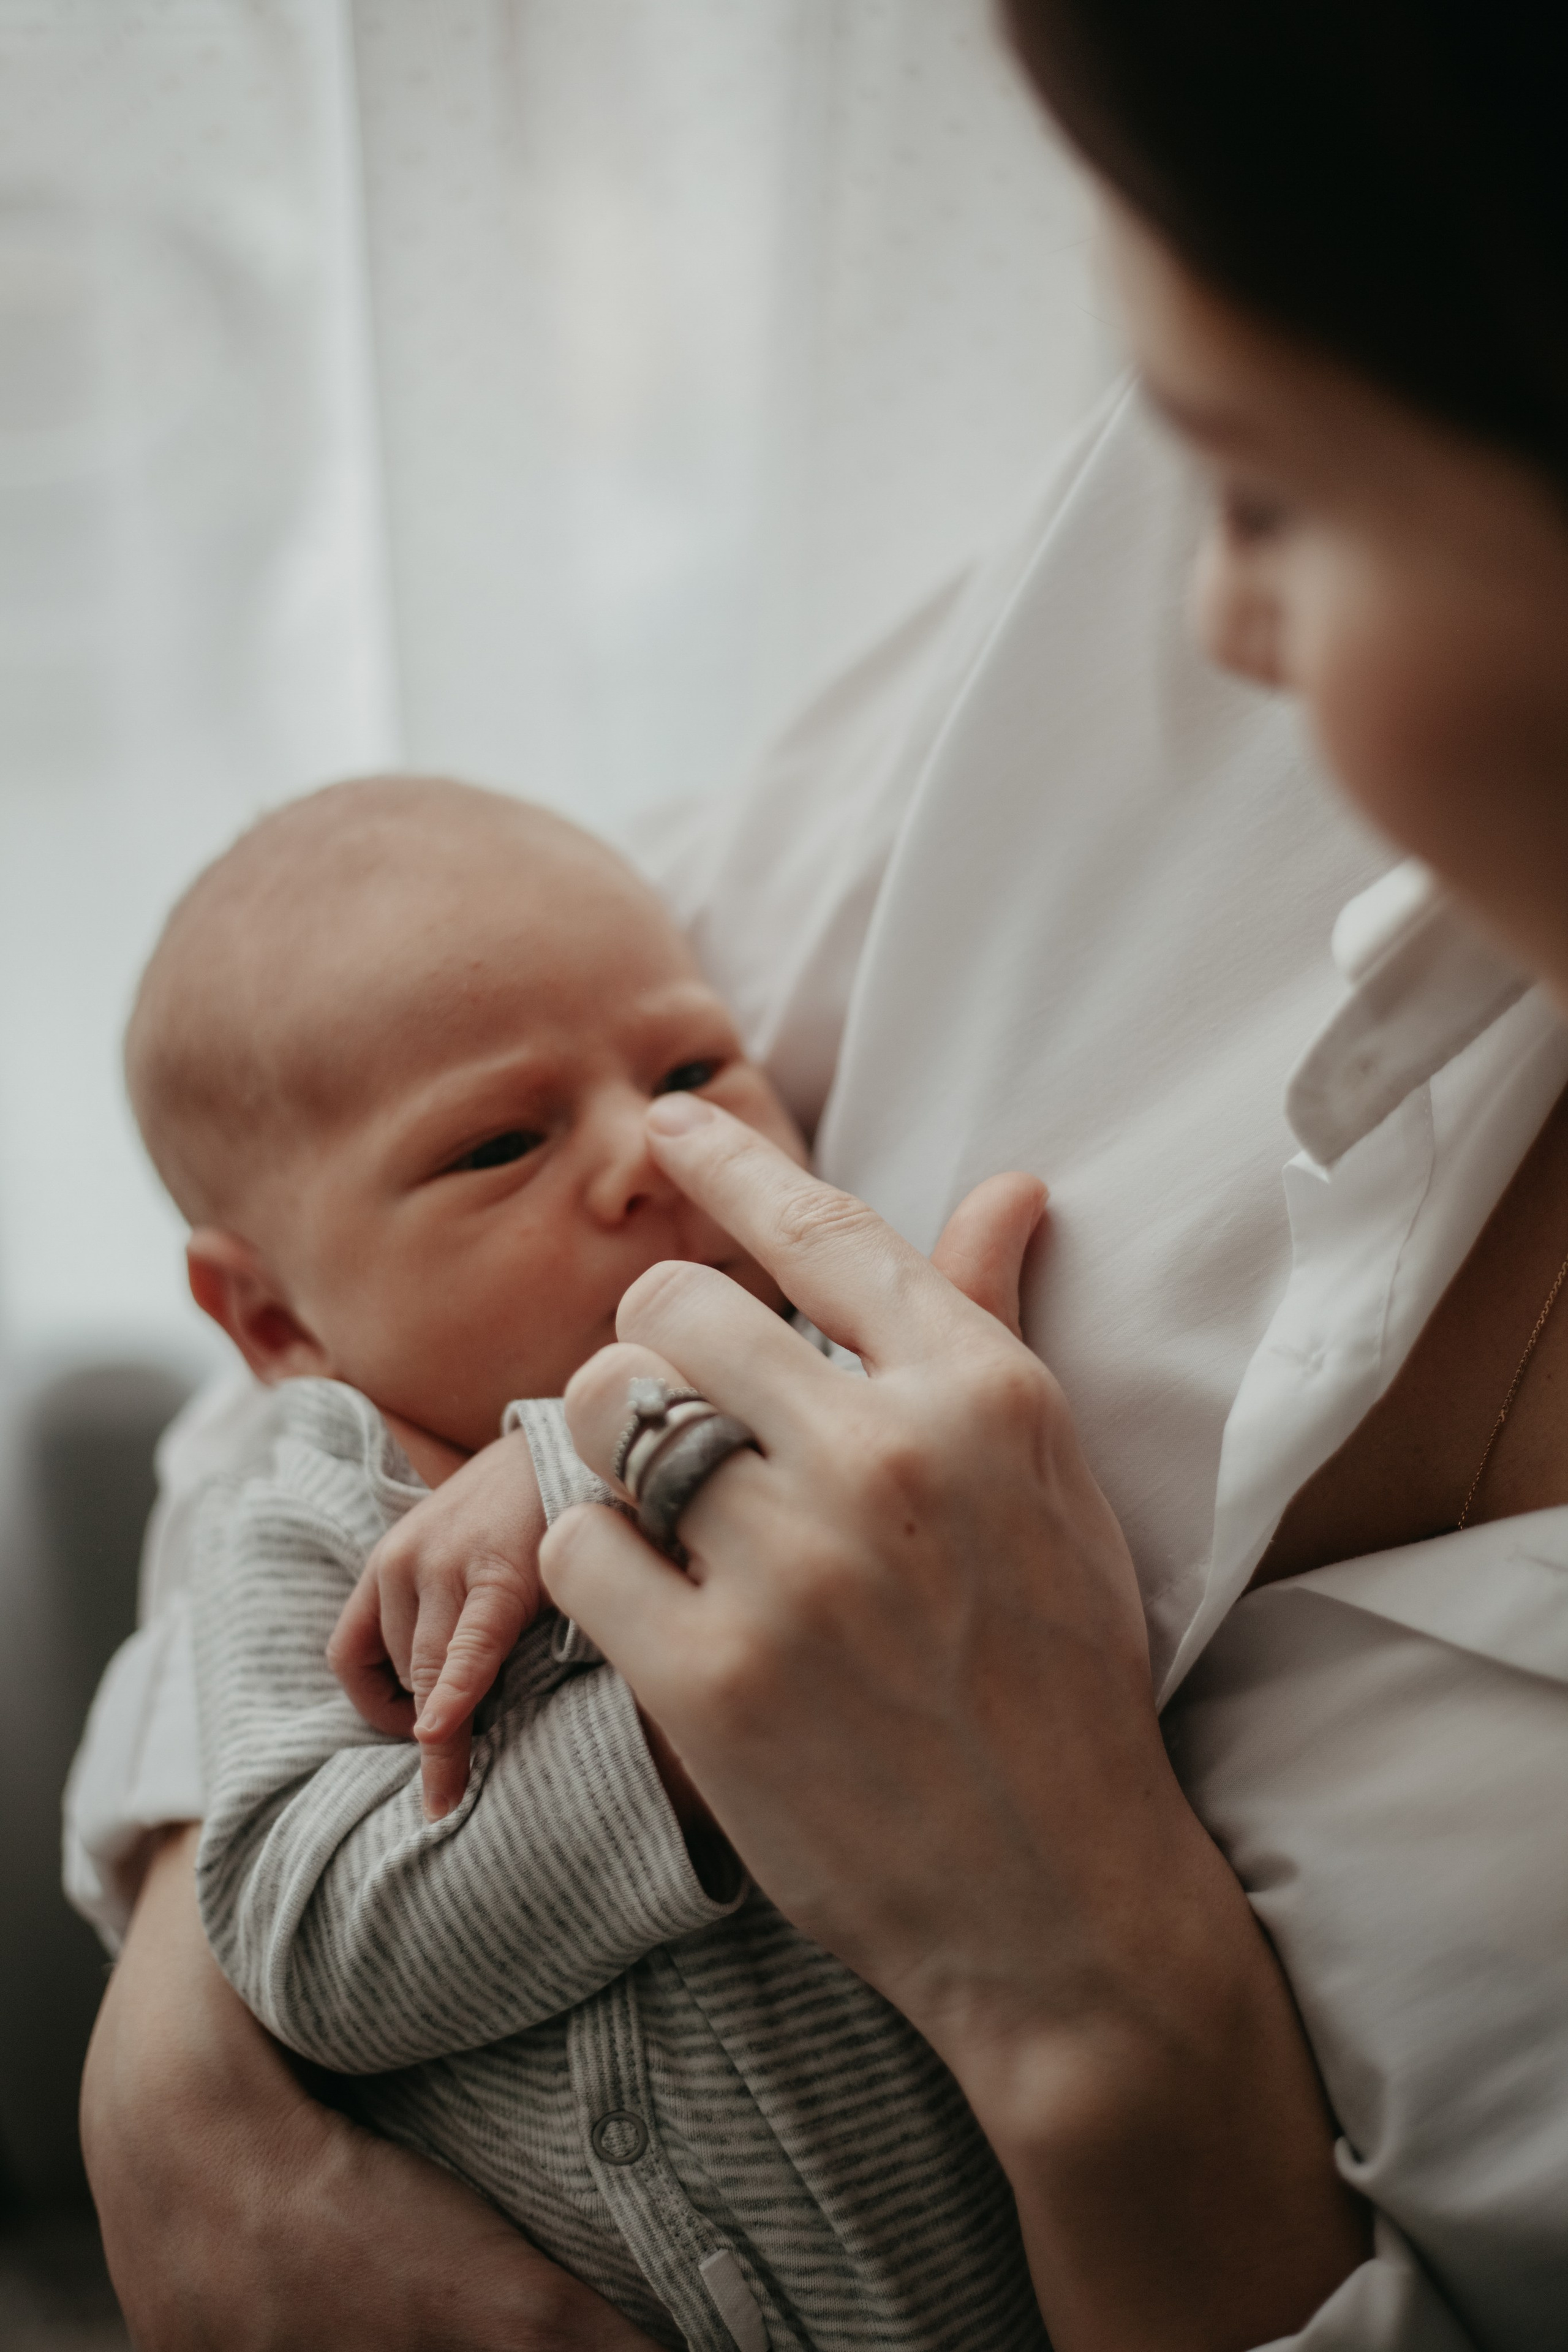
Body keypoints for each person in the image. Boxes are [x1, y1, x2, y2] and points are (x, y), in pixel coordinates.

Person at [74, 4, 1568, 2326]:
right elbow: (317, 1212)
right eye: (504, 1143)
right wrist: (185, 2114)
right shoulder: (426, 1401)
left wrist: (950, 1877)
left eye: (1270, 491)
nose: (1208, 613)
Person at [132, 772, 1052, 2352]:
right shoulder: (291, 1525)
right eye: (501, 1141)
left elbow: (921, 1483)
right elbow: (312, 1945)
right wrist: (701, 1747)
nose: (658, 1147)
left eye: (692, 1065)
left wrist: (570, 1453)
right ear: (275, 1320)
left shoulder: (816, 1353)